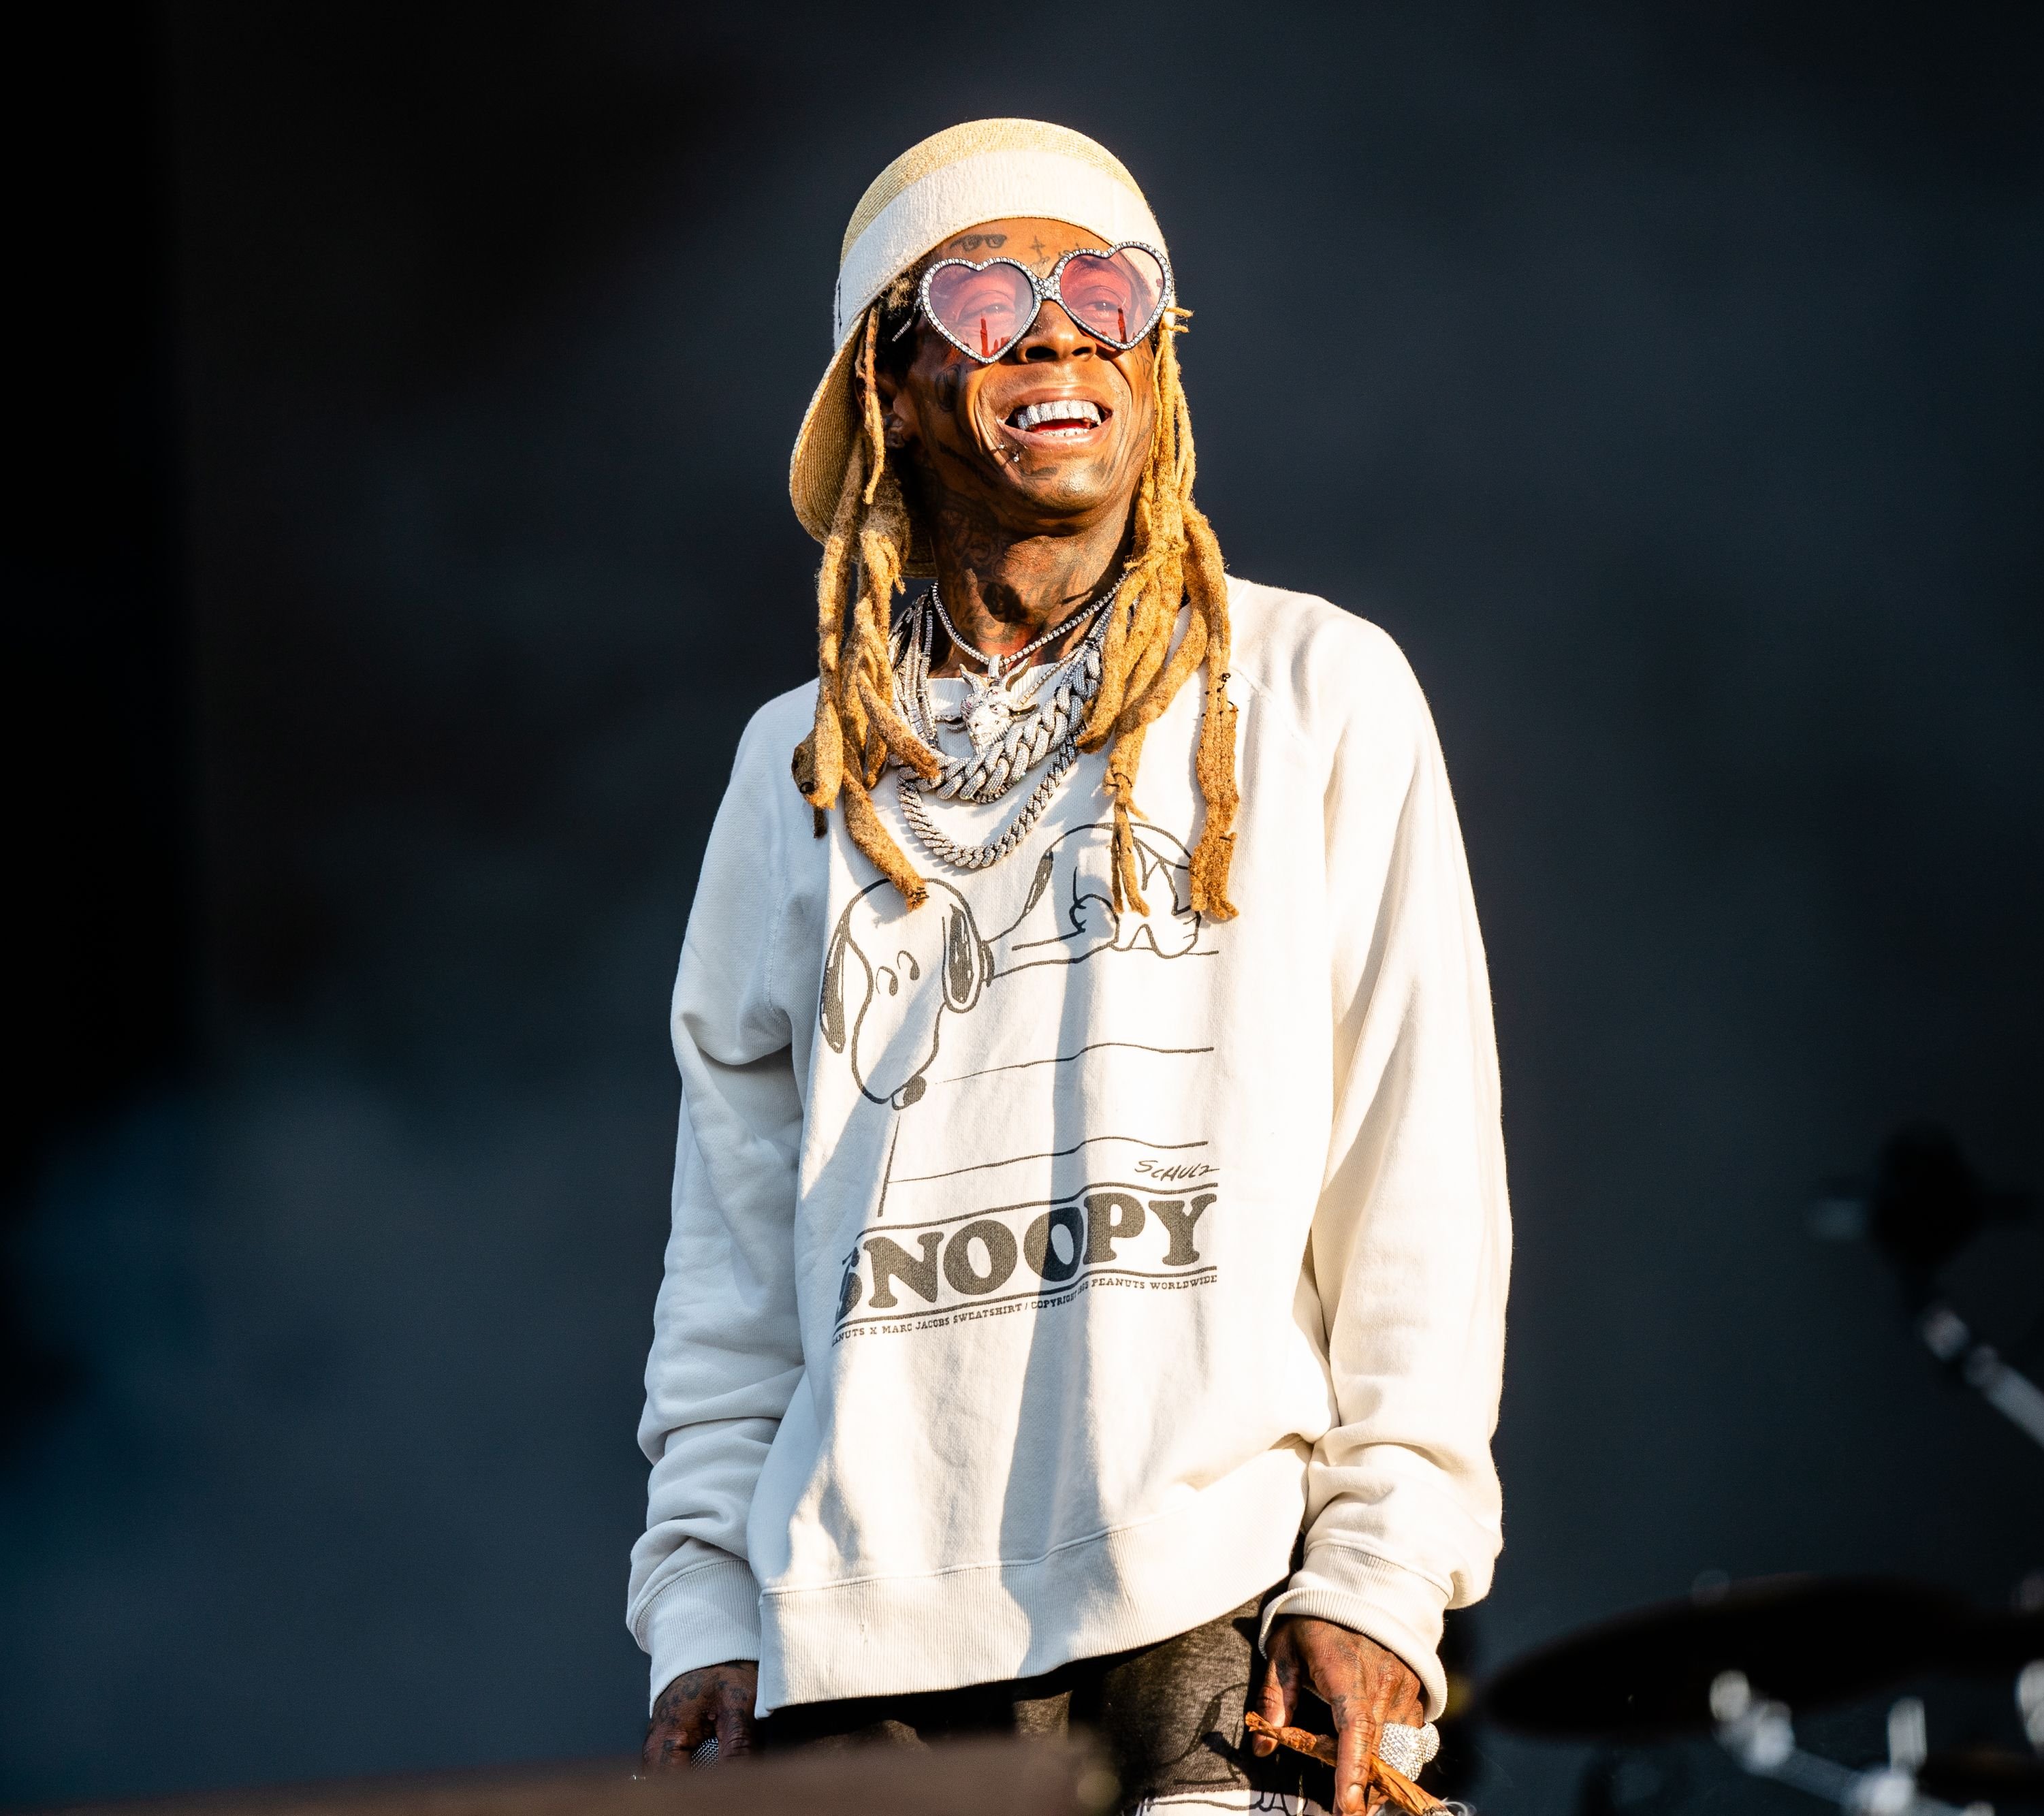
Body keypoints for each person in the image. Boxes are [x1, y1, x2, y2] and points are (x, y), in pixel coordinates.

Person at [628, 118, 1511, 1815]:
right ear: (887, 384)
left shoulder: (1318, 691)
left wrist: (1380, 1565)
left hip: (1207, 1593)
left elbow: (1421, 1169)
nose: (1054, 330)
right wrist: (698, 1604)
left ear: (1154, 361)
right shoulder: (796, 767)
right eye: (982, 294)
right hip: (853, 1640)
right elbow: (731, 1249)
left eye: (1104, 289)